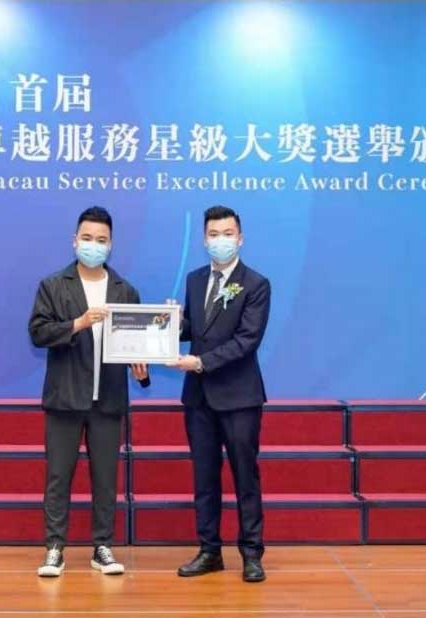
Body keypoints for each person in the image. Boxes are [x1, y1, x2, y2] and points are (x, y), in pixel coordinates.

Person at [28, 206, 148, 577]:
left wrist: (140, 364)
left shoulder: (125, 290)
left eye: (101, 240)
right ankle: (54, 547)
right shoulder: (53, 285)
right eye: (87, 238)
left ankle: (102, 546)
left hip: (107, 399)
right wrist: (78, 323)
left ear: (110, 245)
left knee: (105, 479)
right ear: (74, 240)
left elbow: (137, 341)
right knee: (58, 476)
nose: (93, 245)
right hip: (65, 397)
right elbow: (38, 332)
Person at [167, 205, 271, 583]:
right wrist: (169, 323)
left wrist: (200, 363)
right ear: (204, 239)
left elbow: (247, 340)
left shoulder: (256, 284)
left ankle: (251, 554)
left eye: (227, 233)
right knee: (204, 478)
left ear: (240, 238)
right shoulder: (195, 280)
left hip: (240, 397)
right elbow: (195, 330)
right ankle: (209, 550)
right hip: (199, 399)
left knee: (245, 477)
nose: (220, 240)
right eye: (213, 234)